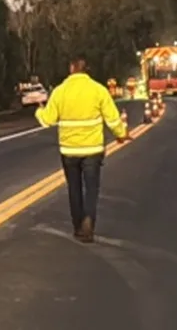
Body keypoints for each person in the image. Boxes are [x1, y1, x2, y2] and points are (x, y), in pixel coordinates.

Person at [36, 57, 129, 243]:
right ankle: (89, 220)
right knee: (92, 188)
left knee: (74, 188)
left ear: (71, 69)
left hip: (69, 151)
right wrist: (121, 134)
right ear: (87, 70)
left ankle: (78, 226)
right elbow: (112, 119)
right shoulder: (98, 90)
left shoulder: (60, 92)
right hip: (92, 150)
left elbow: (47, 120)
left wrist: (39, 111)